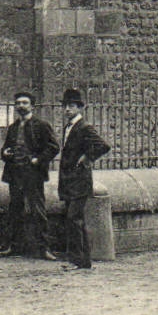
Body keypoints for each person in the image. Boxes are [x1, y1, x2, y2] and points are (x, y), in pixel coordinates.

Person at [0, 90, 58, 260]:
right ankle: (14, 247)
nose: (21, 106)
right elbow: (4, 149)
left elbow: (53, 147)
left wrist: (38, 160)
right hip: (15, 174)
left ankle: (44, 248)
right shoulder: (12, 128)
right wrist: (5, 153)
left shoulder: (41, 125)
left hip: (33, 174)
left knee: (38, 210)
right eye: (18, 103)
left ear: (32, 106)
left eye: (24, 103)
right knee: (15, 210)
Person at [56, 86, 111, 270]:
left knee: (74, 219)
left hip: (79, 181)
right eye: (65, 106)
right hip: (69, 181)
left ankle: (76, 261)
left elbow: (103, 146)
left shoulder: (84, 127)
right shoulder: (68, 127)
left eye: (71, 106)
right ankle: (84, 262)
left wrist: (87, 157)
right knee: (75, 220)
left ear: (80, 108)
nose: (67, 109)